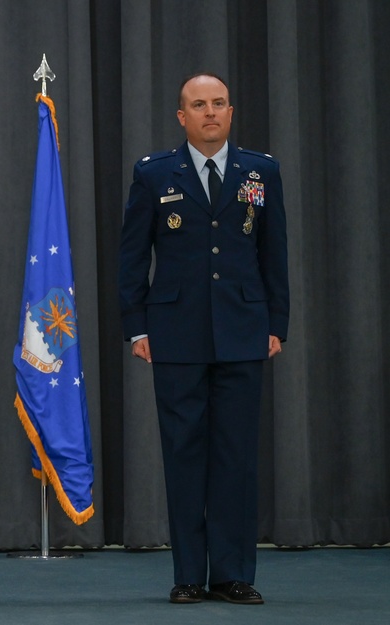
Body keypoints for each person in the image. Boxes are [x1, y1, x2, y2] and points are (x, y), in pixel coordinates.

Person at [118, 73, 289, 605]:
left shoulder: (260, 172)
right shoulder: (153, 174)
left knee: (236, 457)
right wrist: (137, 326)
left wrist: (275, 325)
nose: (210, 112)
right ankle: (189, 574)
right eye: (199, 105)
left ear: (231, 112)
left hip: (242, 331)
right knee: (184, 453)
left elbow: (273, 255)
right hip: (175, 335)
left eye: (218, 103)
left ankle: (234, 573)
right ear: (182, 117)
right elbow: (131, 259)